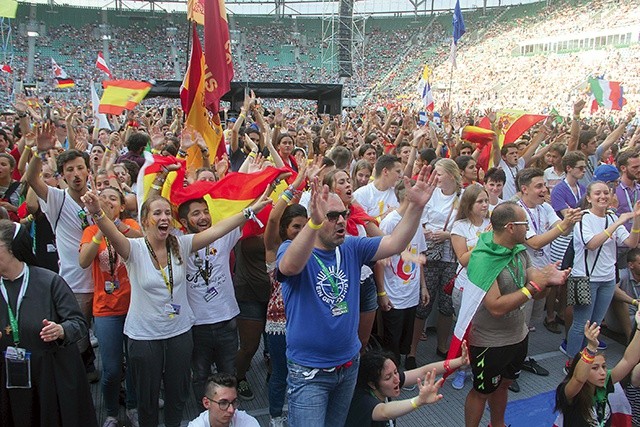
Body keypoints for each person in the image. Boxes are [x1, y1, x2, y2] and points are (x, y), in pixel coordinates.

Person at [81, 190, 271, 427]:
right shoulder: (133, 248)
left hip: (179, 334)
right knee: (147, 399)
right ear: (144, 220)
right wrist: (97, 212)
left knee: (177, 395)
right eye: (157, 213)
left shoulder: (182, 244)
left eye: (167, 213)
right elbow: (110, 230)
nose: (163, 217)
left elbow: (218, 230)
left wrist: (250, 210)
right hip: (144, 336)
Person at [276, 166, 437, 427]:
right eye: (332, 216)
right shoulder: (291, 249)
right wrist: (314, 223)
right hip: (310, 373)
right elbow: (289, 268)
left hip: (348, 366)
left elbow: (394, 244)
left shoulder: (351, 246)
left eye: (344, 214)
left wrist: (416, 207)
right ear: (314, 220)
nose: (341, 221)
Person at [462, 201, 571, 427]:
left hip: (518, 335)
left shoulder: (519, 251)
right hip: (489, 342)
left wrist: (549, 282)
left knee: (503, 384)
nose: (529, 230)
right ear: (511, 227)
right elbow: (496, 307)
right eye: (525, 224)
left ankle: (498, 424)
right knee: (481, 392)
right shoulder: (483, 258)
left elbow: (536, 288)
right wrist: (533, 287)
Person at [0, 220, 98, 427]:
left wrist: (61, 329)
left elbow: (78, 323)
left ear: (12, 248)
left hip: (49, 375)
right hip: (7, 376)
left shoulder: (49, 281)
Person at [26, 127, 99, 382]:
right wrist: (39, 151)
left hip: (105, 286)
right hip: (75, 285)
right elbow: (32, 179)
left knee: (111, 342)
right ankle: (77, 390)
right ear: (62, 176)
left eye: (80, 168)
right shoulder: (56, 199)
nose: (76, 174)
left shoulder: (98, 199)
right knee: (76, 343)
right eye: (69, 170)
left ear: (88, 170)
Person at [78, 186, 143, 427]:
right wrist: (100, 228)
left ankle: (135, 408)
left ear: (122, 206)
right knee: (112, 369)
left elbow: (146, 242)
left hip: (135, 306)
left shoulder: (130, 226)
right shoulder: (91, 230)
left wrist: (115, 226)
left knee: (135, 364)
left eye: (112, 199)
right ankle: (112, 413)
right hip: (106, 310)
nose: (106, 201)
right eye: (102, 198)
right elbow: (84, 261)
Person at [176, 196, 244, 407]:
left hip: (226, 321)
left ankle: (228, 414)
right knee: (200, 376)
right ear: (184, 222)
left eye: (206, 211)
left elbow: (242, 205)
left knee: (229, 375)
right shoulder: (176, 242)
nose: (203, 216)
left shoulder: (223, 235)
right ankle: (204, 417)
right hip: (196, 326)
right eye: (196, 213)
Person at [565, 181, 640, 371]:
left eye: (606, 193)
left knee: (596, 324)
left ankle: (586, 360)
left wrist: (636, 219)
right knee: (582, 323)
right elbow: (591, 244)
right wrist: (617, 223)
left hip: (607, 279)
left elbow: (630, 242)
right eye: (597, 193)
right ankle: (572, 364)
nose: (603, 197)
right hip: (586, 279)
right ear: (589, 198)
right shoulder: (584, 218)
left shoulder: (612, 217)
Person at [344, 342, 470, 427]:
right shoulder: (362, 401)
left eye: (395, 372)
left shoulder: (386, 385)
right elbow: (384, 412)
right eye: (388, 377)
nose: (397, 379)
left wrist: (459, 361)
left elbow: (423, 371)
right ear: (372, 384)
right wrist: (418, 401)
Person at [376, 179, 427, 368]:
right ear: (407, 195)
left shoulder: (417, 220)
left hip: (411, 291)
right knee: (392, 341)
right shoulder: (390, 222)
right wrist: (382, 292)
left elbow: (418, 252)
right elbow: (380, 261)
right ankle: (392, 378)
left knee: (405, 338)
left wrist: (423, 286)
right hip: (394, 293)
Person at [555, 314, 640, 427]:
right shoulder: (570, 392)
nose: (603, 372)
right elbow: (579, 379)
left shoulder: (604, 383)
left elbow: (628, 360)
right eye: (594, 368)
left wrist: (639, 328)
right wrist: (591, 348)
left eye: (604, 366)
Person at [415, 158, 461, 361]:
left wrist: (448, 235)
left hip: (452, 255)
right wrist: (425, 231)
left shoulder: (464, 196)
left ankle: (443, 346)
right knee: (423, 302)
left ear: (451, 175)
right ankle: (412, 350)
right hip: (430, 253)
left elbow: (471, 224)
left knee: (446, 303)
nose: (436, 177)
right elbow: (420, 218)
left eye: (439, 174)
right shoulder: (431, 194)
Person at [449, 184, 492, 390]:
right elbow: (464, 259)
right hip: (466, 287)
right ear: (469, 204)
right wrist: (485, 239)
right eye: (480, 201)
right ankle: (461, 369)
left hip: (489, 287)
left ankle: (480, 368)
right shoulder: (460, 227)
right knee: (465, 329)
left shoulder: (494, 223)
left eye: (486, 200)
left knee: (484, 331)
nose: (485, 204)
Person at [188, 373, 259, 427]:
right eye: (223, 403)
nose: (231, 410)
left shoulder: (247, 422)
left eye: (234, 402)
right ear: (206, 403)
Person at [353, 154, 402, 222]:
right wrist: (384, 216)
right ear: (385, 171)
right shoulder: (361, 195)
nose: (400, 176)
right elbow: (362, 225)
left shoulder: (398, 193)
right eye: (398, 172)